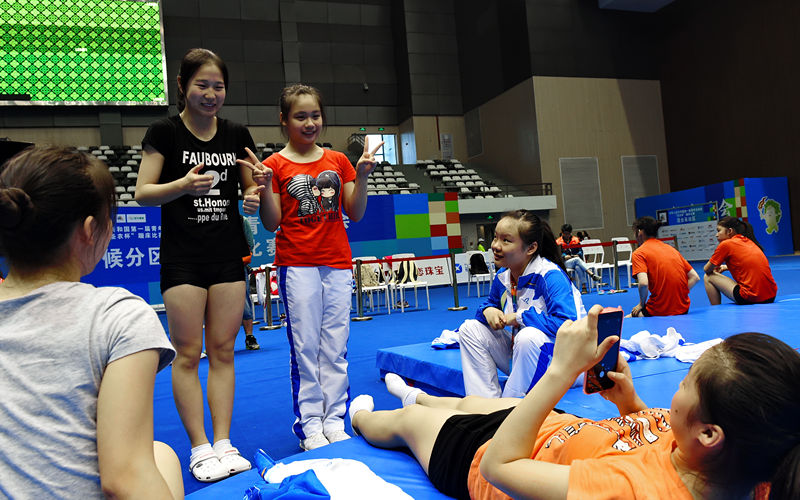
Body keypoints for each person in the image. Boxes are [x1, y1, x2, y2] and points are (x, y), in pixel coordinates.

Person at [349, 305, 800, 500]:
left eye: (685, 384)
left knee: (407, 424)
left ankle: (367, 416)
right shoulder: (750, 460)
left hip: (488, 456)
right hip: (552, 428)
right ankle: (422, 395)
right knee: (464, 402)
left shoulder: (628, 491)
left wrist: (560, 371)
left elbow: (499, 469)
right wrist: (631, 405)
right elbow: (657, 442)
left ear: (708, 434)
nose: (676, 392)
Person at [0, 146, 183, 498]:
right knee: (158, 457)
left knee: (162, 455)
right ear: (89, 230)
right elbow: (125, 476)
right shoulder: (118, 316)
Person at [135, 48, 261, 482]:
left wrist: (253, 195)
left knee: (224, 351)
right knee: (188, 355)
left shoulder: (235, 134)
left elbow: (250, 195)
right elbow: (143, 193)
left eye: (218, 86)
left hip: (227, 256)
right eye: (202, 85)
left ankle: (224, 442)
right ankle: (199, 447)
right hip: (183, 259)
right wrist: (183, 185)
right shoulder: (165, 132)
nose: (211, 94)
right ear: (183, 87)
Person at [239, 84, 382, 451]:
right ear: (284, 120)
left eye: (315, 115)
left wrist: (362, 176)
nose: (309, 122)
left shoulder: (337, 161)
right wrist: (265, 187)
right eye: (300, 116)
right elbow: (272, 223)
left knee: (334, 347)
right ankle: (309, 425)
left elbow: (356, 212)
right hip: (297, 264)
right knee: (305, 348)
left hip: (336, 263)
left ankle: (334, 419)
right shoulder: (273, 165)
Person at [458, 210, 586, 398]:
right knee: (470, 329)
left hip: (567, 364)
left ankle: (508, 405)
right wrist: (488, 310)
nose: (495, 246)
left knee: (528, 336)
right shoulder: (503, 277)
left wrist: (518, 318)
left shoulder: (550, 276)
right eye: (495, 238)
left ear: (531, 248)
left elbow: (567, 325)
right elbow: (489, 305)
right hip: (523, 357)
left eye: (506, 241)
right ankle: (483, 403)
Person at [628, 216, 700, 317]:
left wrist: (641, 304)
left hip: (660, 310)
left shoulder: (639, 253)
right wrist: (679, 295)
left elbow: (643, 283)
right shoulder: (671, 249)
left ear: (640, 232)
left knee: (627, 320)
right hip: (683, 308)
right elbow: (695, 277)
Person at [703, 216, 777, 306]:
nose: (716, 234)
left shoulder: (726, 244)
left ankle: (716, 309)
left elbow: (707, 269)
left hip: (751, 297)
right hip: (771, 296)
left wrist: (713, 268)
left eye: (719, 230)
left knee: (708, 277)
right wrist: (725, 267)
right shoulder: (749, 241)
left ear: (730, 231)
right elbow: (748, 264)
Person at [555, 223, 603, 293]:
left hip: (576, 261)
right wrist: (564, 257)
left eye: (568, 233)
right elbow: (557, 255)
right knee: (577, 260)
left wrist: (577, 255)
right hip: (564, 263)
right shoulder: (558, 242)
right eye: (565, 233)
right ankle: (591, 274)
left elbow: (580, 252)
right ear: (562, 233)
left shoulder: (576, 240)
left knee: (578, 266)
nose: (567, 235)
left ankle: (584, 288)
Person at [241, 215, 259, 350]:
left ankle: (249, 336)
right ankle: (214, 342)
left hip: (238, 267)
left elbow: (250, 245)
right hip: (214, 267)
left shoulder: (242, 221)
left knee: (244, 303)